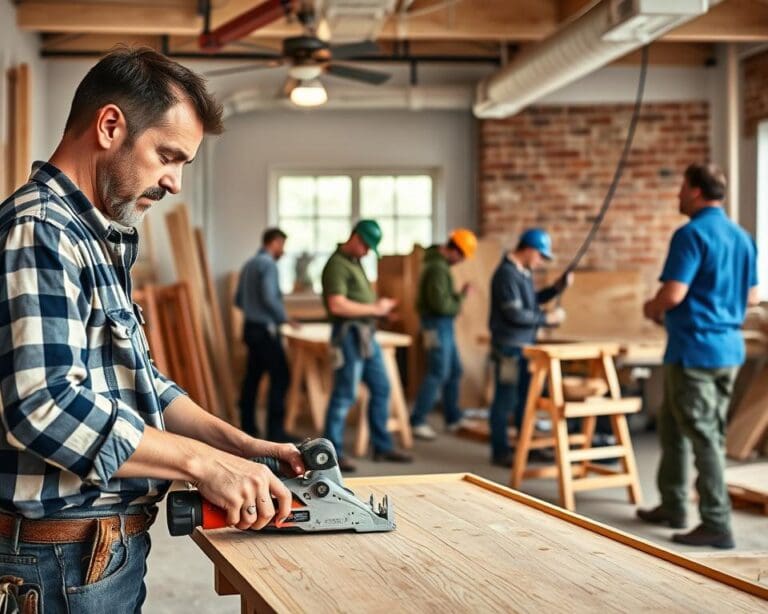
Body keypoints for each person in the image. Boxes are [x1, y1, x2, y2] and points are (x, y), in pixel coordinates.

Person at [0, 47, 304, 612]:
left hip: (96, 553)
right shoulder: (42, 230)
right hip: (56, 563)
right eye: (168, 156)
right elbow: (44, 406)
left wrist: (239, 447)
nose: (175, 183)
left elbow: (140, 385)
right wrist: (201, 465)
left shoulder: (94, 237)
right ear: (111, 125)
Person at [637, 163, 759, 549]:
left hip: (694, 351)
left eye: (680, 188)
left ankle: (717, 522)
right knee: (674, 427)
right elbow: (752, 298)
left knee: (704, 436)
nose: (677, 196)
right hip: (727, 350)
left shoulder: (690, 234)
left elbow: (673, 294)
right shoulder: (742, 237)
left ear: (694, 191)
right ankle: (673, 504)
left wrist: (653, 309)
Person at [321, 220, 413, 472]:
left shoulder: (355, 262)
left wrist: (379, 313)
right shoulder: (337, 265)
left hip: (365, 333)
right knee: (344, 394)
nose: (367, 252)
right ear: (355, 238)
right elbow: (337, 305)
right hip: (349, 335)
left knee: (382, 386)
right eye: (366, 246)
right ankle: (332, 454)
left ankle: (382, 446)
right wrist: (375, 308)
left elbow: (357, 301)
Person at [487, 228, 570, 467]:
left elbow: (531, 303)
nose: (540, 261)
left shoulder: (522, 273)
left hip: (524, 347)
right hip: (509, 348)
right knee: (505, 400)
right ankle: (500, 451)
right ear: (529, 249)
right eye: (540, 256)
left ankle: (524, 446)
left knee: (525, 400)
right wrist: (547, 319)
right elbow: (514, 314)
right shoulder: (506, 274)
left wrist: (556, 288)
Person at [410, 229, 477, 440]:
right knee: (438, 372)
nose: (460, 262)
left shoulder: (439, 265)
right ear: (454, 251)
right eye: (462, 257)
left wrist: (456, 297)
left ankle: (452, 417)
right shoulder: (437, 268)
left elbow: (443, 300)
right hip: (436, 325)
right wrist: (461, 298)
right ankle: (417, 420)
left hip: (443, 325)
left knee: (454, 370)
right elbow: (440, 306)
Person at [235, 227, 299, 442]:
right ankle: (276, 432)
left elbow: (238, 300)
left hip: (250, 328)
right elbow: (270, 297)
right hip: (265, 331)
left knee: (252, 378)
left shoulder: (249, 264)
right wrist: (284, 318)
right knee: (281, 376)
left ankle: (248, 426)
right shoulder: (268, 264)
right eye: (282, 245)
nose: (283, 251)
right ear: (274, 243)